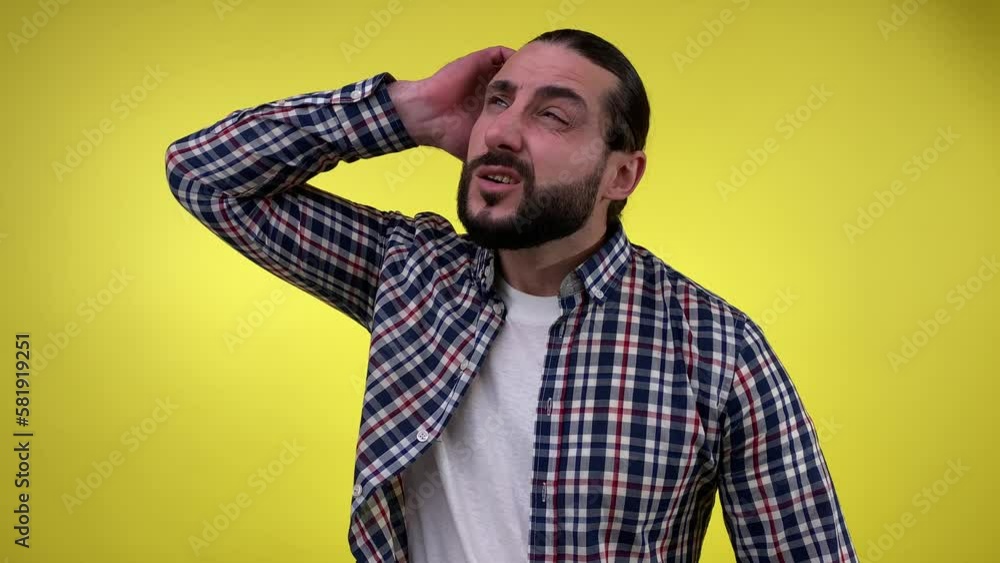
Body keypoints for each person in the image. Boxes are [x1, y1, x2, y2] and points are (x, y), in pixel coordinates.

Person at [165, 28, 857, 563]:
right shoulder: (411, 277)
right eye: (498, 101)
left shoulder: (717, 348)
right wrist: (408, 112)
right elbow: (205, 176)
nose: (499, 130)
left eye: (553, 116)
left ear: (621, 175)